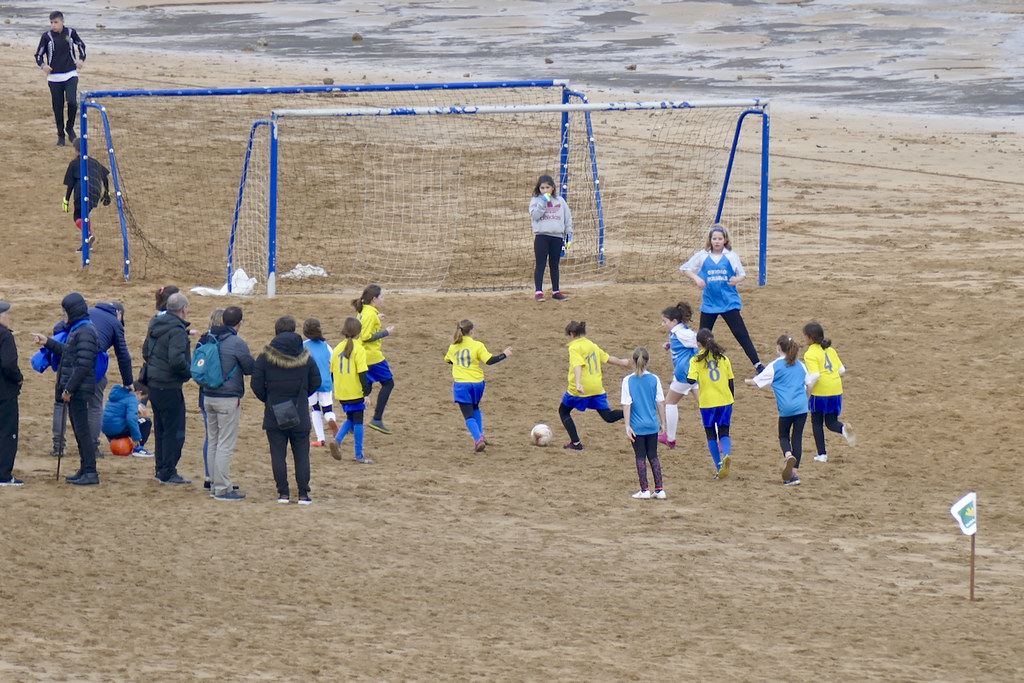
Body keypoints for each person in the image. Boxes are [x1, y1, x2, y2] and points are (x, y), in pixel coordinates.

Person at [252, 316, 321, 504]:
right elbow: (317, 381)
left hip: (275, 411)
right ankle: (304, 494)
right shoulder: (306, 357)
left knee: (277, 454)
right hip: (299, 410)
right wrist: (302, 396)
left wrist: (269, 399)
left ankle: (283, 492)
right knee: (301, 454)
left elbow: (256, 384)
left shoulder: (265, 357)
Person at [35, 293, 100, 485]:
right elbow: (69, 353)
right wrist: (47, 342)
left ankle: (90, 471)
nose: (63, 315)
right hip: (76, 388)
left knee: (82, 431)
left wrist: (69, 389)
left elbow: (83, 365)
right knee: (80, 430)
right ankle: (85, 468)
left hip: (78, 390)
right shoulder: (79, 329)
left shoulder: (85, 331)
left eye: (65, 311)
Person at [679, 225, 763, 374]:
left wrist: (736, 279)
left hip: (729, 303)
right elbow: (685, 269)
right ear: (710, 240)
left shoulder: (731, 255)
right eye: (714, 238)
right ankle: (695, 367)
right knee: (703, 337)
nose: (717, 241)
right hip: (710, 304)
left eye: (720, 238)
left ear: (725, 240)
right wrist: (696, 278)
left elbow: (742, 274)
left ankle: (758, 365)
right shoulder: (702, 255)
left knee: (741, 334)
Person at [199, 306, 254, 501]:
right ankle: (222, 488)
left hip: (207, 395)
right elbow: (249, 368)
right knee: (225, 443)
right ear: (239, 323)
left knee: (213, 440)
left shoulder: (207, 337)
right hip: (227, 398)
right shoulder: (237, 342)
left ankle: (215, 482)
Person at [142, 292, 192, 485]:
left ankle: (161, 469)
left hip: (154, 384)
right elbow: (177, 360)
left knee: (161, 428)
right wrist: (189, 372)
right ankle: (169, 471)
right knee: (174, 430)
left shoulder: (155, 325)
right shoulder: (177, 330)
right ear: (183, 309)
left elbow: (146, 351)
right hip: (170, 386)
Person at [747, 335, 810, 486]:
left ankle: (788, 455)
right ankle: (794, 472)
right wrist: (806, 401)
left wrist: (746, 381)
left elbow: (756, 382)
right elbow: (809, 385)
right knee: (797, 438)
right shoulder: (801, 365)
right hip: (802, 407)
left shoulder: (775, 365)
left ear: (778, 348)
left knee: (783, 436)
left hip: (786, 408)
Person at [559, 320, 630, 450]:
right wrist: (622, 362)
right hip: (597, 388)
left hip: (581, 388)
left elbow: (578, 365)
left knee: (563, 411)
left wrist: (579, 383)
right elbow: (608, 359)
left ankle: (576, 443)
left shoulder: (574, 347)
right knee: (607, 416)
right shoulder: (592, 345)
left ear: (572, 334)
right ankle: (631, 411)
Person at [443, 320, 511, 452]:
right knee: (475, 407)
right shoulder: (478, 345)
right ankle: (481, 435)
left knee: (468, 415)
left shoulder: (453, 347)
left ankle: (477, 439)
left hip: (462, 385)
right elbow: (490, 361)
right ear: (472, 331)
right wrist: (504, 354)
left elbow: (448, 360)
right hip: (478, 384)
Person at [686, 328, 735, 480]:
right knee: (724, 431)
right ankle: (726, 453)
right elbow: (731, 381)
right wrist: (730, 399)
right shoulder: (724, 358)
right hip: (725, 400)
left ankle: (719, 466)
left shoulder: (695, 359)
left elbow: (691, 380)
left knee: (710, 435)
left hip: (707, 402)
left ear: (698, 344)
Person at [803, 321, 855, 463]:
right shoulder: (830, 350)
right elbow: (842, 370)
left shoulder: (810, 353)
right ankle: (843, 428)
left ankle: (822, 454)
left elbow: (815, 375)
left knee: (817, 422)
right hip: (836, 389)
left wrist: (806, 389)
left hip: (820, 392)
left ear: (810, 338)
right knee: (831, 422)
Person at [34, 11, 86, 146]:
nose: (53, 25)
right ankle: (61, 135)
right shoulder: (46, 37)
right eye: (51, 23)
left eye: (55, 22)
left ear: (62, 21)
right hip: (54, 78)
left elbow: (81, 45)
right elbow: (38, 55)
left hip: (70, 74)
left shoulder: (70, 33)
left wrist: (81, 59)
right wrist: (43, 65)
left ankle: (70, 127)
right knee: (57, 107)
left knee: (72, 102)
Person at [620, 347, 667, 500]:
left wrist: (627, 426)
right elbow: (660, 402)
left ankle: (644, 489)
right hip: (652, 425)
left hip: (637, 427)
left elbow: (627, 404)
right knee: (653, 455)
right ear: (648, 361)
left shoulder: (628, 381)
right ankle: (660, 489)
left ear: (633, 361)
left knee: (640, 456)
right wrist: (663, 423)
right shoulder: (654, 379)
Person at [86, 300, 132, 452]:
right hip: (91, 364)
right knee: (95, 405)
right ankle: (91, 446)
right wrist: (128, 382)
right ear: (118, 313)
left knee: (63, 403)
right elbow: (123, 355)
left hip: (69, 359)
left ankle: (58, 445)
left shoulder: (88, 311)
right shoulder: (114, 322)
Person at [329, 317, 372, 464]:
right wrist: (366, 393)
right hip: (355, 392)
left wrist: (337, 391)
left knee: (351, 418)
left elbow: (332, 373)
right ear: (358, 333)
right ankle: (359, 455)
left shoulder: (336, 349)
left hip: (342, 392)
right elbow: (362, 374)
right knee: (358, 420)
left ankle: (338, 440)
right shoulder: (359, 349)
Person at [353, 284, 395, 434]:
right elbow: (366, 337)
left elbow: (364, 327)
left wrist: (377, 318)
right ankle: (377, 419)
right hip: (372, 357)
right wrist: (386, 332)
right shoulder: (370, 314)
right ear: (374, 299)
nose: (383, 299)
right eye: (381, 296)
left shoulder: (365, 311)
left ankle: (353, 422)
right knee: (388, 383)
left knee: (365, 389)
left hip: (362, 356)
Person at [657, 302, 699, 450]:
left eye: (665, 321)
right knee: (705, 405)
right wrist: (670, 345)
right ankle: (720, 437)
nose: (662, 324)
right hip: (693, 374)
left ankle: (670, 438)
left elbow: (697, 341)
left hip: (684, 375)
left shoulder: (682, 333)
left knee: (670, 403)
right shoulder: (678, 331)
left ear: (674, 321)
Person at [529, 174, 573, 302]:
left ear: (553, 188)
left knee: (554, 265)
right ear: (539, 188)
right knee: (540, 264)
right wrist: (543, 202)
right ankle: (538, 292)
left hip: (557, 237)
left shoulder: (560, 201)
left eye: (547, 187)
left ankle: (556, 291)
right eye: (542, 188)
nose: (545, 190)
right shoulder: (536, 200)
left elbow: (567, 218)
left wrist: (569, 235)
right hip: (542, 236)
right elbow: (535, 216)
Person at [30, 316, 69, 456]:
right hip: (83, 372)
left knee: (60, 406)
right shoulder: (84, 329)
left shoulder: (59, 330)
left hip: (62, 373)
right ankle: (91, 447)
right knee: (87, 409)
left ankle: (58, 447)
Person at [196, 308, 224, 490]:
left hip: (204, 393)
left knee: (211, 436)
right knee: (222, 439)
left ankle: (209, 475)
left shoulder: (202, 340)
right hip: (224, 394)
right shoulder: (227, 341)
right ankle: (220, 479)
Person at [62, 139, 110, 249]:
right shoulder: (95, 162)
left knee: (77, 216)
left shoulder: (74, 163)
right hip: (95, 192)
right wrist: (106, 193)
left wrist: (66, 200)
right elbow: (105, 177)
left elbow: (71, 185)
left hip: (82, 192)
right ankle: (87, 243)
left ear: (75, 149)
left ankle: (88, 234)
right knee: (85, 215)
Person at [0, 301, 25, 487]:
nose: (9, 317)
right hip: (4, 392)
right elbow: (8, 363)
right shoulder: (5, 336)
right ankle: (4, 475)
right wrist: (18, 378)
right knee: (7, 432)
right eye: (7, 314)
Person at [302, 318, 335, 448]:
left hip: (311, 383)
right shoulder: (327, 346)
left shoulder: (303, 346)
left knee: (315, 408)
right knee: (328, 409)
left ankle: (320, 439)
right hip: (326, 382)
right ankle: (331, 419)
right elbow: (333, 365)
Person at [101, 382, 152, 455]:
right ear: (138, 392)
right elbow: (131, 420)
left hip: (106, 430)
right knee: (146, 421)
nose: (140, 401)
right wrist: (136, 438)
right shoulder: (132, 398)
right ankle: (138, 449)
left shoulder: (116, 394)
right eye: (141, 398)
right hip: (117, 430)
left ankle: (114, 441)